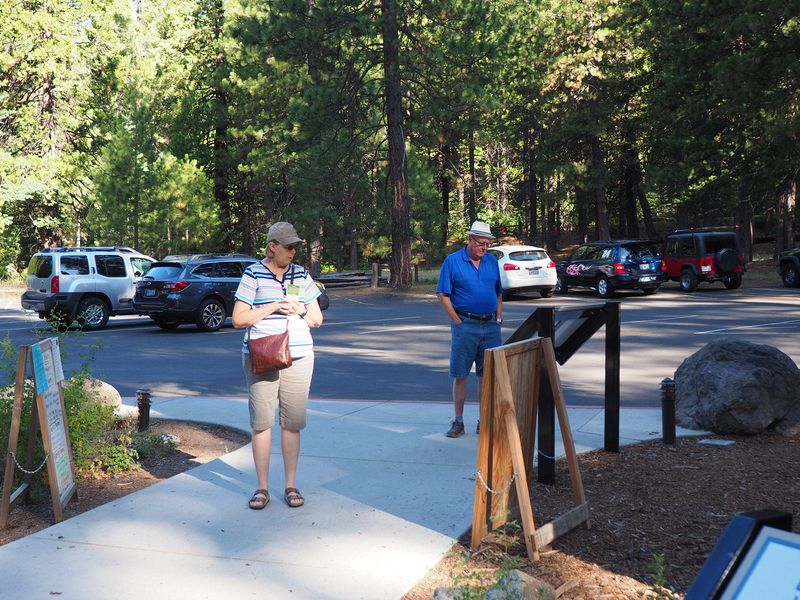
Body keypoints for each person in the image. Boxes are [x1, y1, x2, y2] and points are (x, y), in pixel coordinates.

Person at [232, 222, 323, 510]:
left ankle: (290, 485)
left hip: (298, 354)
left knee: (291, 424)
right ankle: (261, 488)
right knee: (261, 424)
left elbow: (317, 320)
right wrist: (272, 306)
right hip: (263, 353)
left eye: (296, 246)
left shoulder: (301, 274)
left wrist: (302, 309)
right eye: (288, 246)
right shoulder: (253, 274)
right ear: (272, 246)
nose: (293, 252)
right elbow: (238, 318)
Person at [436, 220, 503, 438]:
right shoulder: (453, 261)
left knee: (486, 376)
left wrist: (499, 317)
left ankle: (484, 420)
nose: (485, 248)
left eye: (488, 244)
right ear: (470, 240)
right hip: (465, 325)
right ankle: (458, 421)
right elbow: (442, 294)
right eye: (481, 243)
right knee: (461, 374)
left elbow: (498, 292)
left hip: (491, 326)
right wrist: (457, 321)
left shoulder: (492, 262)